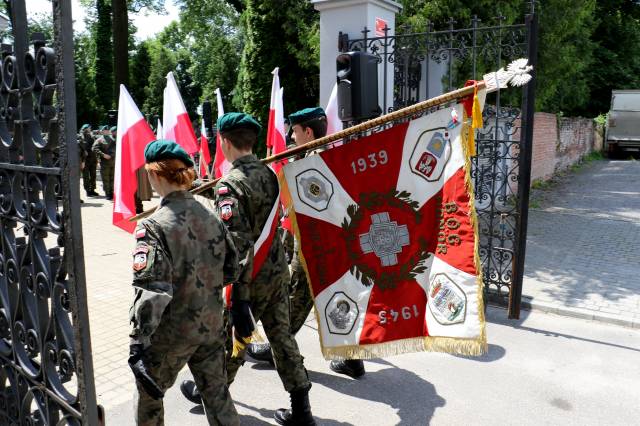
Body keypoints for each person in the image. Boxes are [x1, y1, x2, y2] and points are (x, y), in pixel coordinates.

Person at [180, 112, 316, 426]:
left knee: (232, 339)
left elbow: (237, 243)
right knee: (282, 338)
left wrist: (238, 296)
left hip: (249, 280)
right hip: (276, 270)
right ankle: (303, 411)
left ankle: (212, 394)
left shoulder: (230, 184)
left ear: (225, 142)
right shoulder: (269, 172)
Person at [247, 107, 367, 379]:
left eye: (295, 130)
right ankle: (353, 359)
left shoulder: (314, 161)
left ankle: (279, 347)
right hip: (334, 244)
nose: (291, 134)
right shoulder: (326, 155)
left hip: (316, 245)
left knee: (298, 295)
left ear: (308, 132)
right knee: (334, 299)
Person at [128, 139, 240, 425]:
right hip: (212, 323)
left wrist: (137, 342)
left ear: (154, 175)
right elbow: (232, 267)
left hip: (173, 333)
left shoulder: (152, 226)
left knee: (150, 395)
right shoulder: (211, 214)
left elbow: (153, 291)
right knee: (217, 395)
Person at [92, 125, 116, 200]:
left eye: (107, 130)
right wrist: (103, 155)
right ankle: (108, 193)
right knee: (106, 178)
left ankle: (112, 192)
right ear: (102, 131)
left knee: (113, 178)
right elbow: (94, 148)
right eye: (104, 130)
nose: (106, 131)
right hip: (105, 162)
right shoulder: (99, 140)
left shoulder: (113, 139)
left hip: (113, 161)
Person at [79, 124, 99, 197]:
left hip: (93, 158)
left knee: (93, 175)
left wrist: (97, 159)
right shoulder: (81, 136)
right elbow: (82, 147)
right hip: (86, 159)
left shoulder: (91, 135)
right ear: (85, 128)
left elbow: (96, 146)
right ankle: (88, 190)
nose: (90, 129)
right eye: (89, 128)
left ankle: (92, 189)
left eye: (90, 128)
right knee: (86, 176)